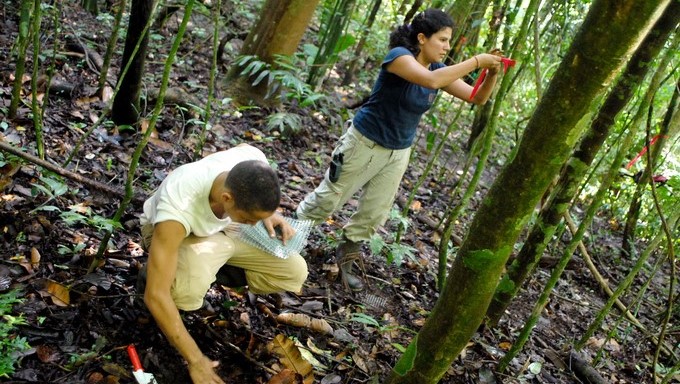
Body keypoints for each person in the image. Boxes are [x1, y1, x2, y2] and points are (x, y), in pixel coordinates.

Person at [296, 8, 501, 291]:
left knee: (374, 212)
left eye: (448, 41)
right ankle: (287, 236)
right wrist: (478, 60)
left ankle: (346, 261)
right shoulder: (399, 58)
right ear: (421, 38)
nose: (446, 46)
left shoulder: (439, 70)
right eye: (441, 39)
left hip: (398, 152)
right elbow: (430, 82)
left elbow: (476, 97)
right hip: (364, 142)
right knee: (329, 199)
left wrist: (491, 72)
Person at [139, 143, 308, 384]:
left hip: (224, 228)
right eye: (251, 219)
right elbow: (155, 295)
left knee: (294, 270)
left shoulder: (250, 162)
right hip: (183, 235)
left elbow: (247, 152)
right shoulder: (178, 206)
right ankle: (157, 273)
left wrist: (267, 214)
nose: (254, 225)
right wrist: (196, 360)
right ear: (227, 198)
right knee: (182, 293)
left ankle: (209, 268)